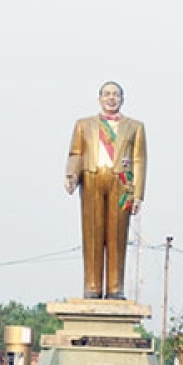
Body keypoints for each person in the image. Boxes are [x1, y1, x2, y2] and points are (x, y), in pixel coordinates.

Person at [64, 81, 147, 300]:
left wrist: (138, 194)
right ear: (100, 98)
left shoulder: (135, 127)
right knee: (92, 232)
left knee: (117, 235)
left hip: (122, 182)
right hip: (92, 178)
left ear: (122, 99)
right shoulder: (84, 125)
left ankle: (115, 287)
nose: (111, 98)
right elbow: (76, 153)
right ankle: (92, 285)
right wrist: (71, 174)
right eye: (107, 94)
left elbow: (139, 160)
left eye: (116, 94)